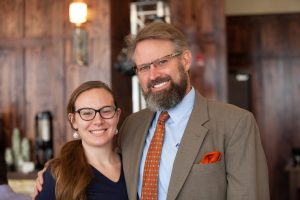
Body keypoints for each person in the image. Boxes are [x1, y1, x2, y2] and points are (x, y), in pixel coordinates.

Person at [35, 22, 270, 200]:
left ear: (185, 60)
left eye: (162, 62)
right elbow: (97, 154)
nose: (153, 74)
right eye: (144, 67)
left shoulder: (235, 123)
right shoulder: (132, 126)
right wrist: (56, 171)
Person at [35, 81, 128, 200]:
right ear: (73, 120)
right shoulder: (56, 174)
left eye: (106, 111)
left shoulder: (133, 165)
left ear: (117, 115)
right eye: (87, 113)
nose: (98, 121)